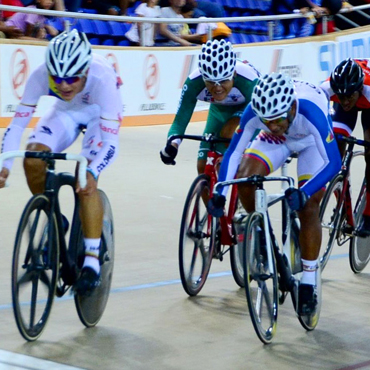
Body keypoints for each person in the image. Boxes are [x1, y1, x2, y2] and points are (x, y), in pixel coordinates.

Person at [207, 72, 341, 315]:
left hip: (310, 142)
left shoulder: (311, 112)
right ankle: (260, 232)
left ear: (291, 109)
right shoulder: (258, 114)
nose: (272, 125)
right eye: (266, 120)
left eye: (277, 119)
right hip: (275, 142)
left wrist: (304, 192)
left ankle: (309, 281)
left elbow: (333, 163)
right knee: (246, 179)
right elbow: (234, 153)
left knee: (308, 206)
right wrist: (221, 193)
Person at [0, 29, 123, 295]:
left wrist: (92, 169)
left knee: (84, 178)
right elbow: (17, 125)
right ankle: (56, 219)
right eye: (57, 79)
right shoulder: (40, 75)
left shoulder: (103, 78)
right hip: (63, 114)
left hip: (97, 117)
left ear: (86, 72)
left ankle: (91, 261)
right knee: (33, 158)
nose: (64, 85)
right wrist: (4, 167)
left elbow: (112, 144)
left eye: (72, 79)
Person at [160, 39, 261, 175]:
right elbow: (180, 121)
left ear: (234, 74)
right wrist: (173, 146)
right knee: (203, 168)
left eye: (224, 80)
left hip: (249, 109)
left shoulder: (249, 81)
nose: (217, 88)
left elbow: (260, 115)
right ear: (203, 77)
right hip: (218, 111)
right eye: (211, 82)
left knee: (229, 134)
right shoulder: (193, 83)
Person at [320, 58, 370, 237]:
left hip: (368, 106)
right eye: (341, 97)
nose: (346, 101)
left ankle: (368, 214)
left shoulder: (368, 90)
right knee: (335, 152)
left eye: (349, 96)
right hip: (346, 108)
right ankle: (342, 200)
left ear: (358, 90)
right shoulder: (327, 88)